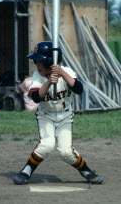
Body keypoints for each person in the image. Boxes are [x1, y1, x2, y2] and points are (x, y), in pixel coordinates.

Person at [13, 41, 103, 185]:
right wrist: (48, 82)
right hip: (45, 115)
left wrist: (61, 73)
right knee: (47, 145)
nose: (36, 64)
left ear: (49, 62)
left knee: (66, 152)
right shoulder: (37, 76)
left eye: (39, 61)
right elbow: (36, 98)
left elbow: (79, 89)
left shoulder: (66, 71)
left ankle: (87, 171)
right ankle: (26, 171)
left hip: (65, 116)